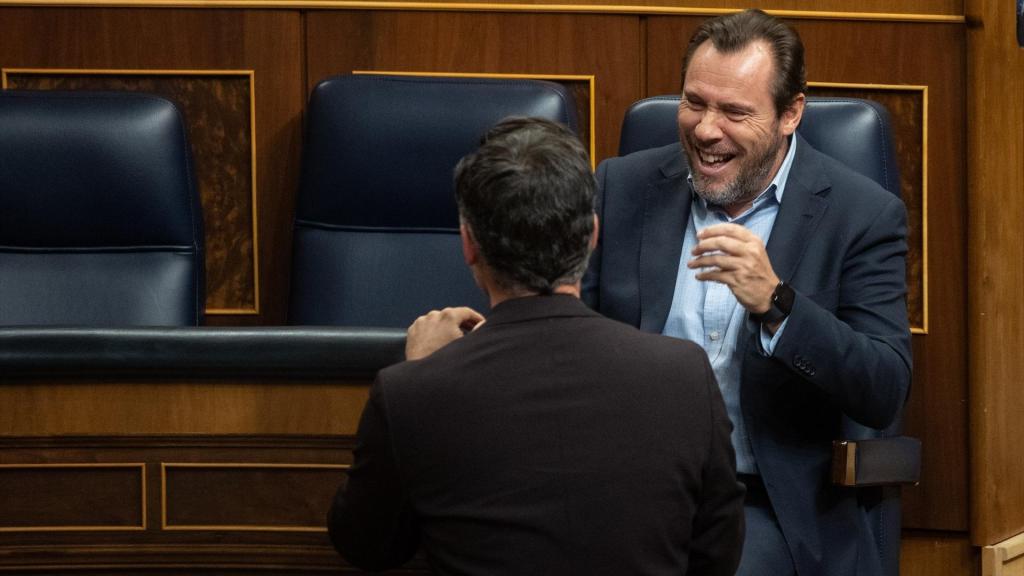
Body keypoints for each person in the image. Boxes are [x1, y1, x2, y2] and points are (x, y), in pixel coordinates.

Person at [328, 116, 745, 575]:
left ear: (468, 244)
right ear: (592, 235)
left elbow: (366, 547)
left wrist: (424, 373)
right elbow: (717, 554)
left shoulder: (410, 392)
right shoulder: (685, 374)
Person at [581, 9, 912, 576]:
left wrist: (779, 305)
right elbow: (570, 328)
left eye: (735, 112)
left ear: (791, 114)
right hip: (623, 489)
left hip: (762, 501)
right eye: (694, 103)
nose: (707, 129)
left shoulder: (861, 214)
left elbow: (884, 387)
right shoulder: (622, 187)